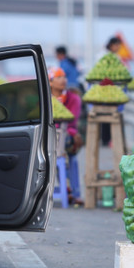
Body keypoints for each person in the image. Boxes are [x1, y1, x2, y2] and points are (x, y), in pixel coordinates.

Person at [49, 67, 84, 206]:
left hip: (66, 136)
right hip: (48, 138)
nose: (63, 80)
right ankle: (68, 191)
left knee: (65, 150)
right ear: (50, 82)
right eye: (58, 77)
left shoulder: (73, 98)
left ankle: (72, 192)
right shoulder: (44, 98)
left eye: (64, 76)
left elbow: (72, 122)